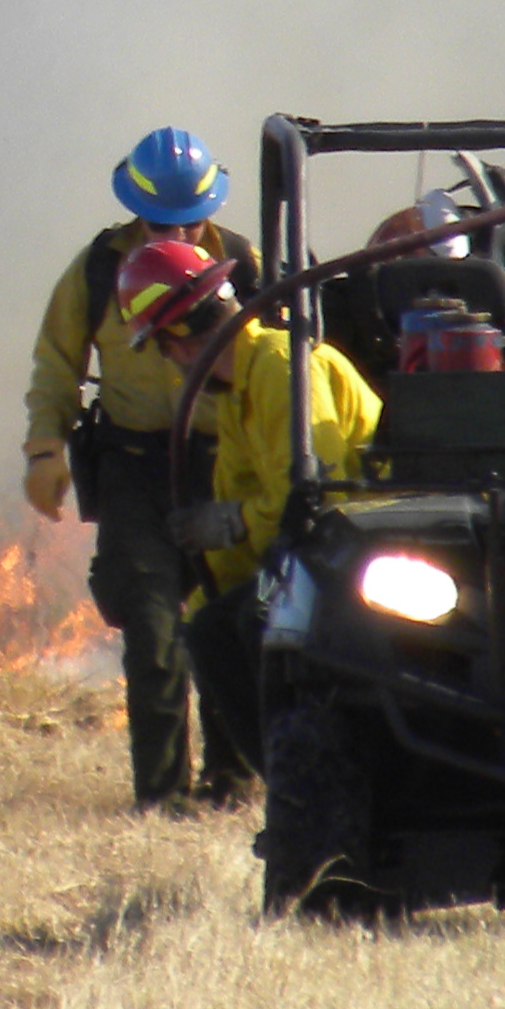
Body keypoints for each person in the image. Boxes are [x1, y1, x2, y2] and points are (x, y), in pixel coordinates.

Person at [22, 125, 255, 809]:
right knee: (153, 637)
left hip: (224, 467)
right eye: (160, 222)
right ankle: (162, 796)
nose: (174, 233)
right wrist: (45, 449)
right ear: (137, 210)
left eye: (190, 220)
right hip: (133, 468)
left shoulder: (244, 262)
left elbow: (282, 361)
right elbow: (56, 366)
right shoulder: (97, 270)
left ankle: (234, 782)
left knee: (225, 628)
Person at [111, 237, 384, 802]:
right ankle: (293, 787)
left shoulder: (286, 372)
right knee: (214, 628)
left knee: (244, 627)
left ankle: (311, 789)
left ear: (181, 337)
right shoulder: (239, 396)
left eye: (162, 346)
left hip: (368, 551)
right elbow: (244, 513)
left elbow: (316, 498)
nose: (169, 362)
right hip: (321, 554)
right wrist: (204, 603)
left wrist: (233, 523)